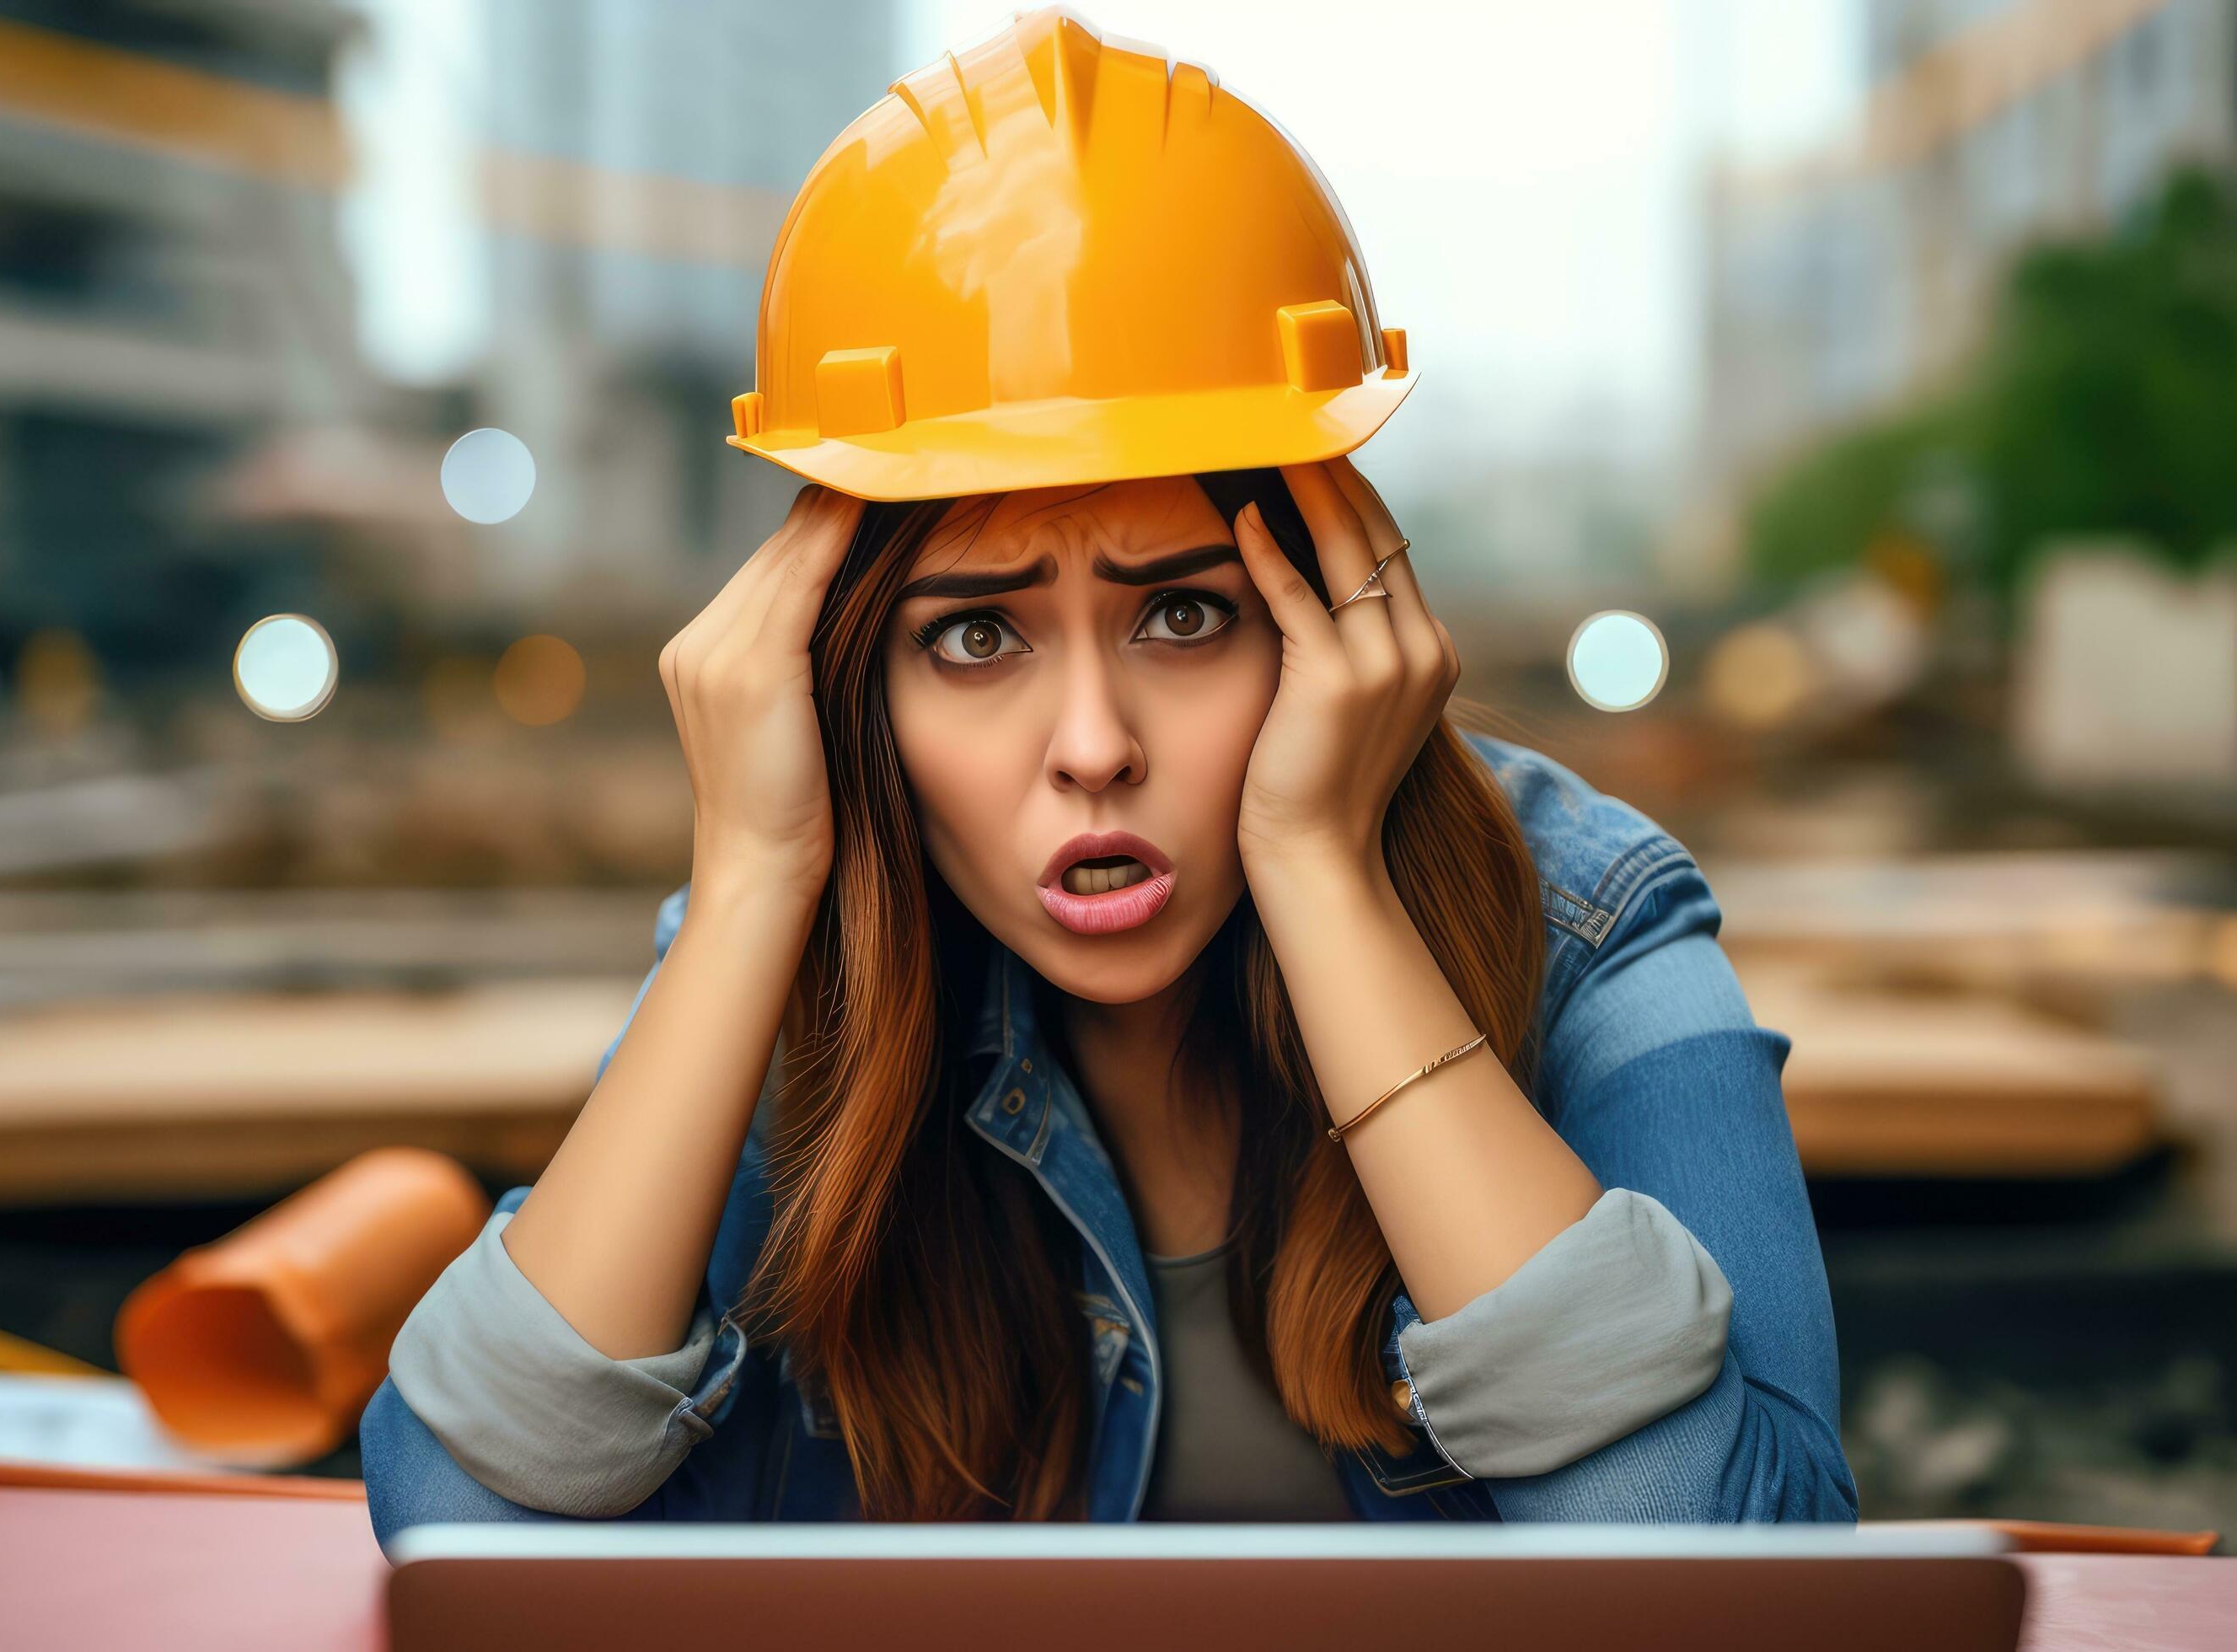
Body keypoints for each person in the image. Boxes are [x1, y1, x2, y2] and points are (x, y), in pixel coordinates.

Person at [363, 8, 1855, 1535]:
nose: (1092, 748)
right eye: (976, 639)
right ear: (844, 674)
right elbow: (460, 1521)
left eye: (1184, 617)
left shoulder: (1588, 923)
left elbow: (1744, 1580)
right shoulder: (802, 945)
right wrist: (747, 884)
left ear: (1333, 617)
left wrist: (1326, 878)